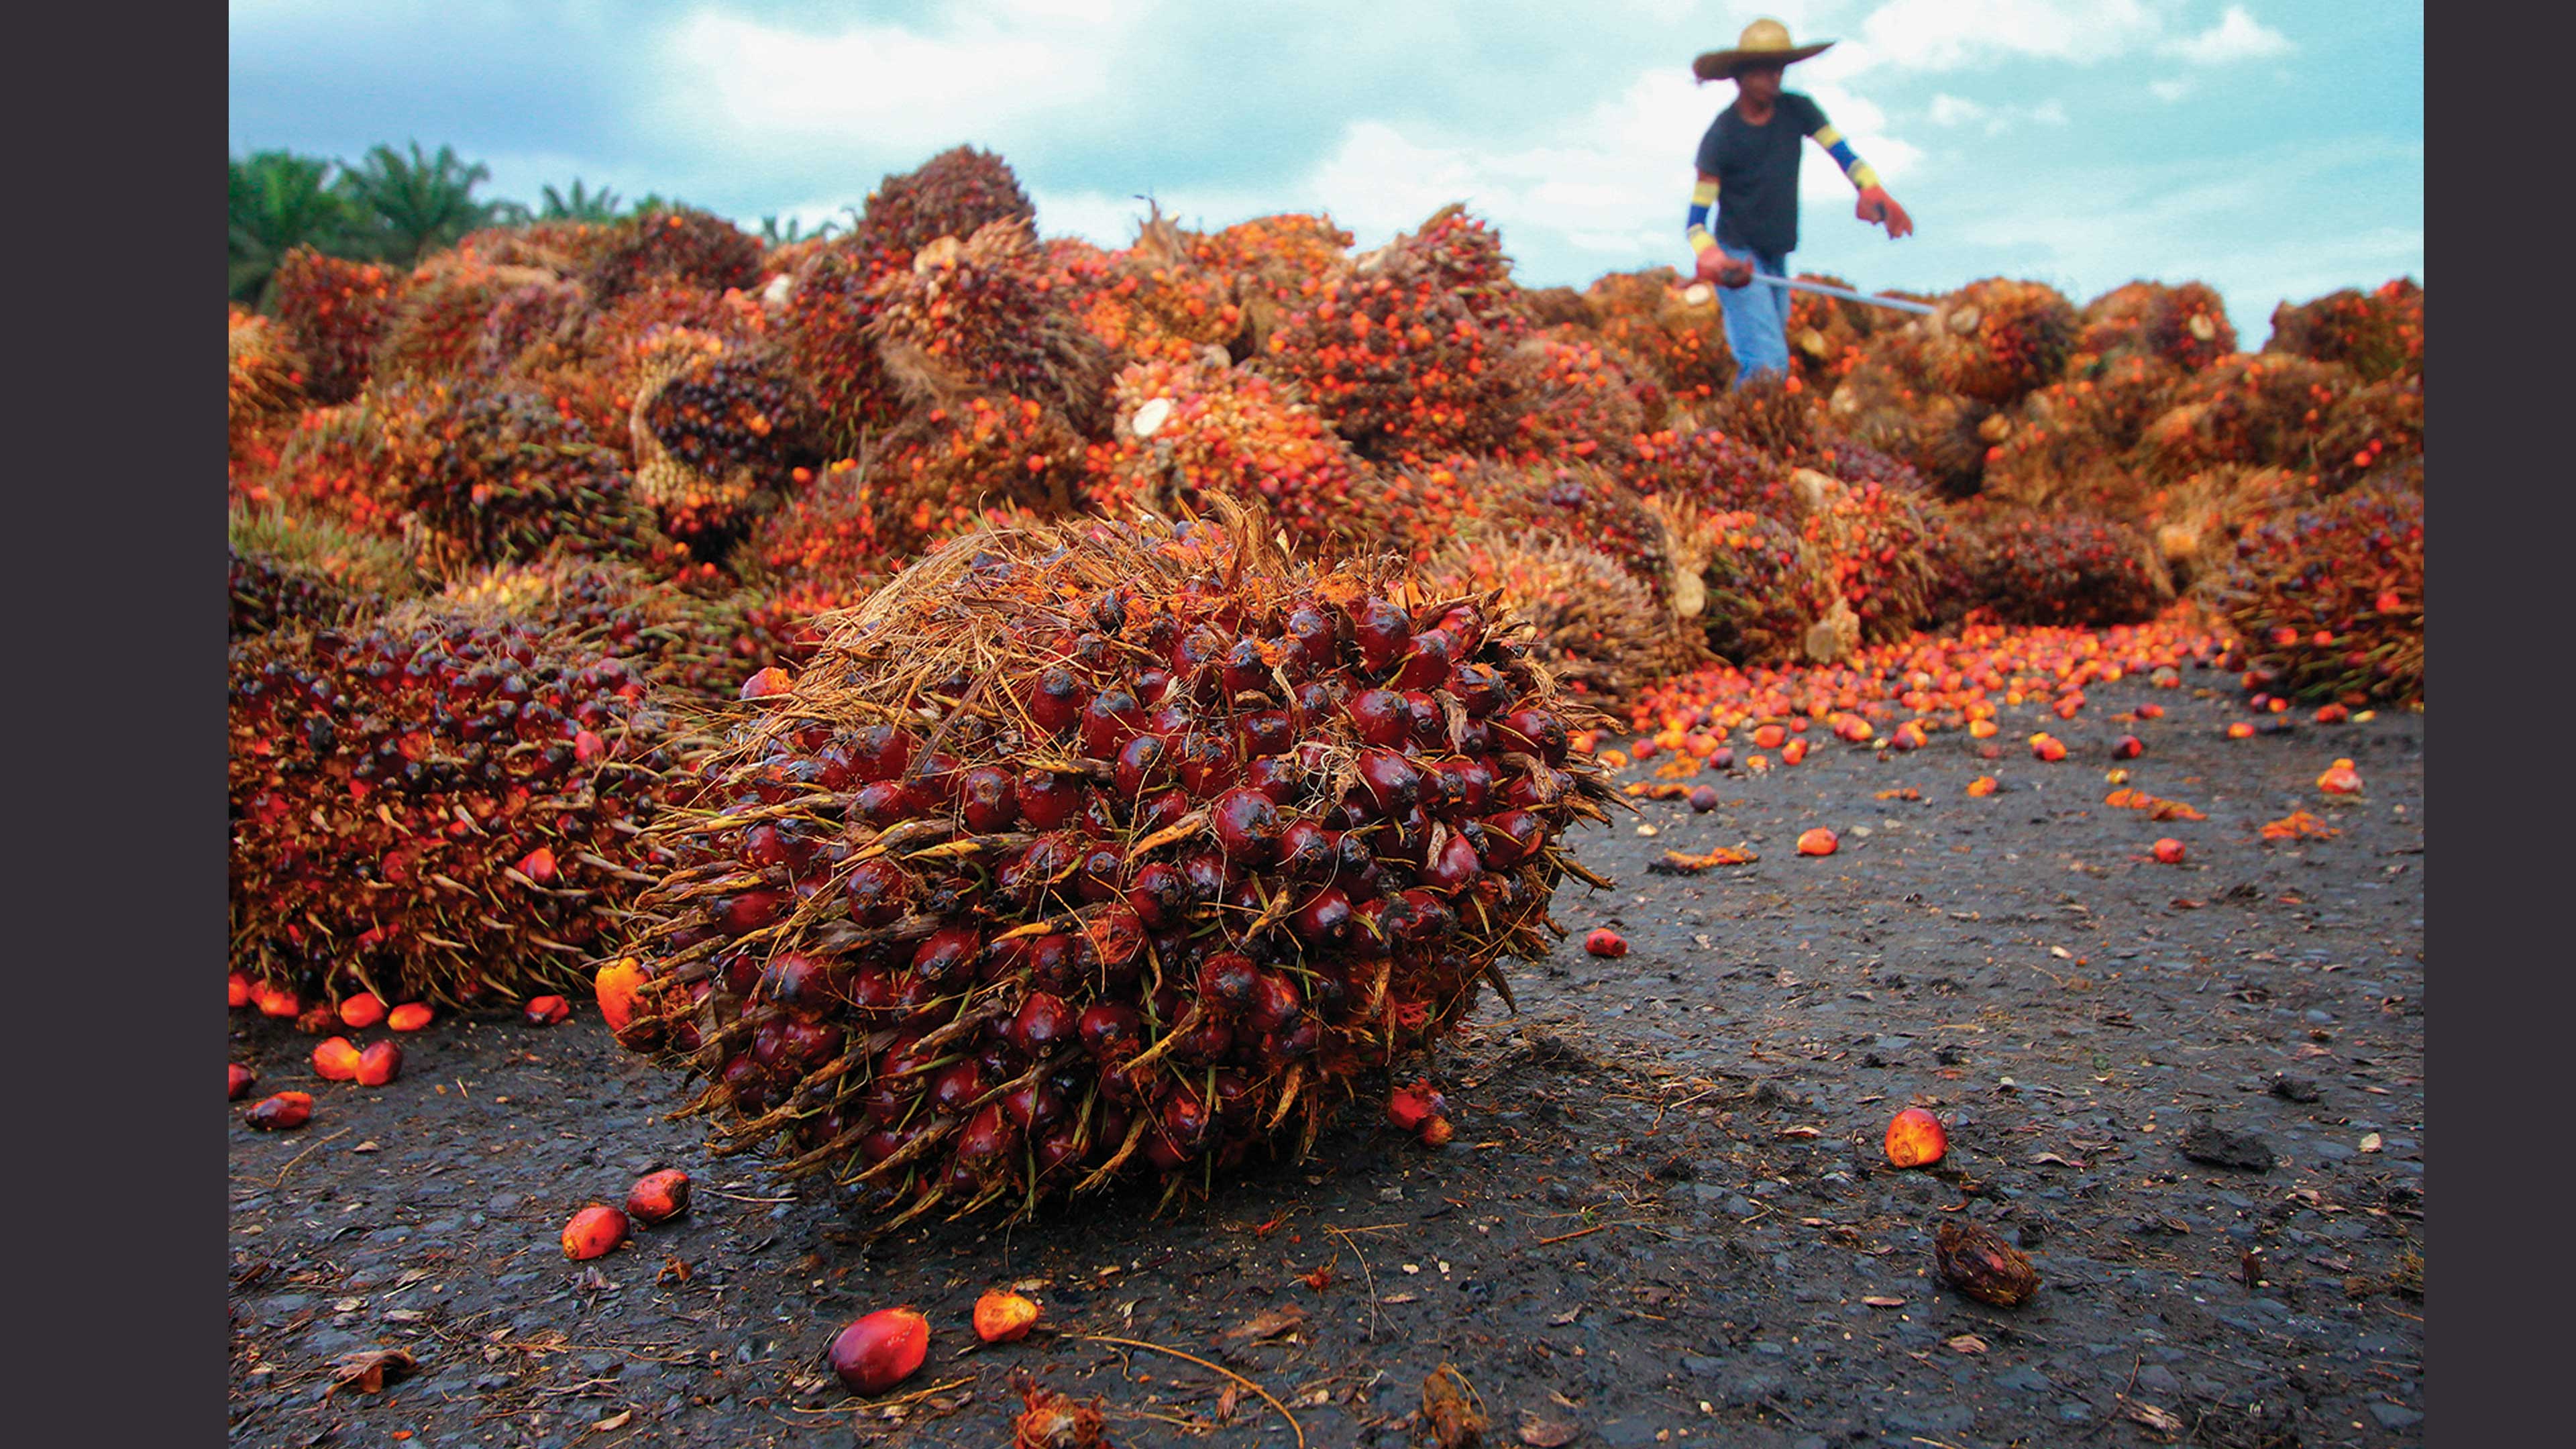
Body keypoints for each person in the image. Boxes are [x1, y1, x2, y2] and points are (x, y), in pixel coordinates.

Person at [1684, 17, 1913, 386]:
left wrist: (1869, 188)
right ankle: (1736, 442)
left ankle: (1741, 435)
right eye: (1764, 69)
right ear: (1740, 75)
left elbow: (1843, 153)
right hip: (1739, 258)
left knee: (1772, 360)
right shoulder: (1721, 136)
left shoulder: (1798, 110)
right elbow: (1695, 222)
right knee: (1766, 365)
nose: (1775, 77)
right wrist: (1710, 254)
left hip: (1777, 256)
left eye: (1780, 68)